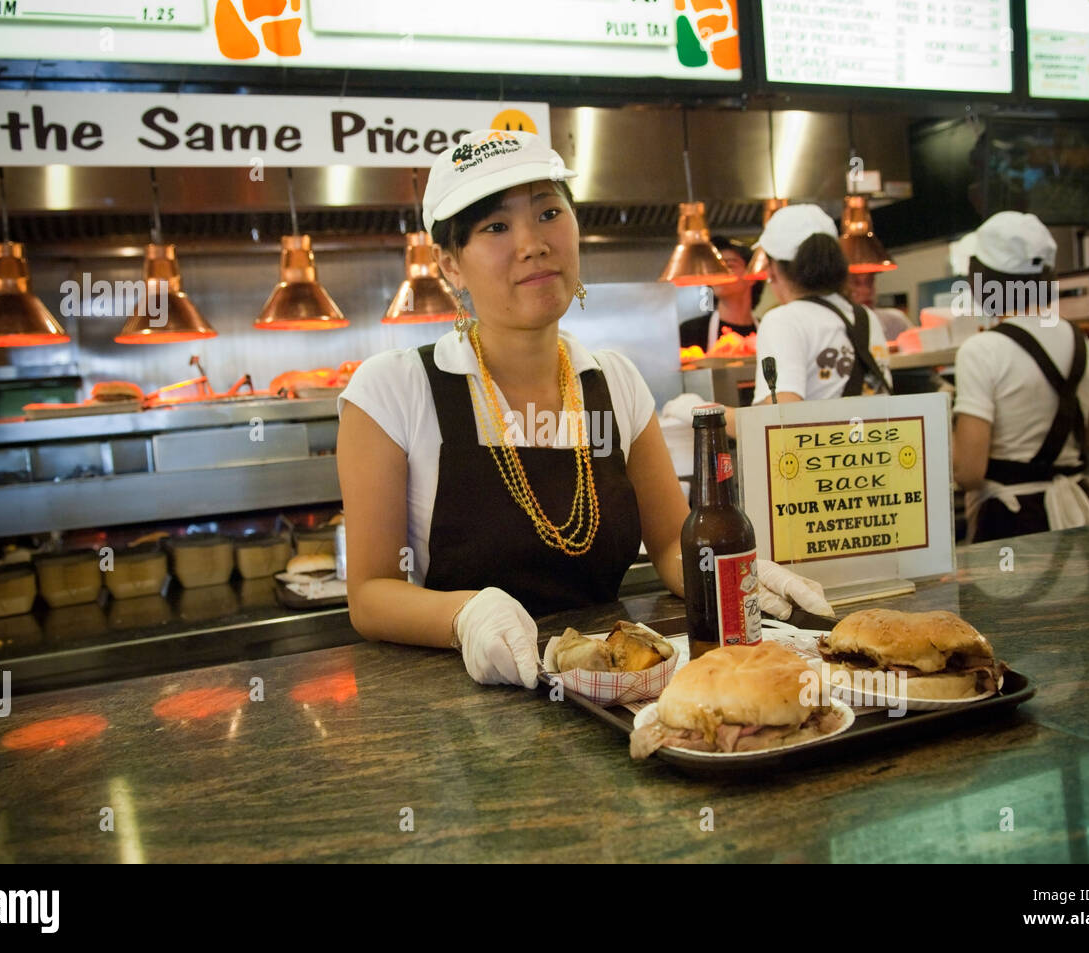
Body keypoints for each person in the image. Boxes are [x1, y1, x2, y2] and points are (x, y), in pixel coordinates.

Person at [337, 130, 833, 689]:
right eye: (496, 227)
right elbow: (371, 594)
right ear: (450, 264)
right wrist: (463, 617)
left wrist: (722, 575)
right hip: (458, 710)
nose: (533, 243)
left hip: (605, 692)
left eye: (550, 213)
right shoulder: (396, 389)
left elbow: (671, 542)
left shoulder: (614, 380)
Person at [951, 211, 1089, 542]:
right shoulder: (1077, 338)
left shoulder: (982, 349)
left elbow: (969, 472)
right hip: (1075, 516)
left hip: (1011, 522)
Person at [751, 204, 893, 405]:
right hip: (876, 435)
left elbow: (780, 417)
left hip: (822, 437)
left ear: (773, 269)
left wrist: (702, 413)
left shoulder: (783, 321)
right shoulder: (865, 317)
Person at [677, 237, 760, 352]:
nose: (720, 273)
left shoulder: (768, 330)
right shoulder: (691, 331)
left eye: (730, 266)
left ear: (752, 277)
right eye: (716, 267)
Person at [846, 271, 912, 342]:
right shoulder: (837, 326)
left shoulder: (895, 320)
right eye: (856, 284)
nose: (867, 291)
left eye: (870, 282)